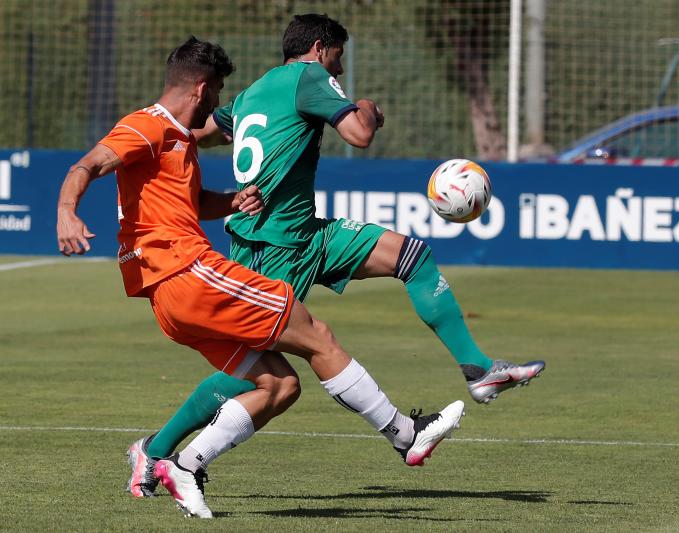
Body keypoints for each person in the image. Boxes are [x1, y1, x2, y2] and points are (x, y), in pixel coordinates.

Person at [126, 13, 543, 498]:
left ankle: (478, 370)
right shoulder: (309, 76)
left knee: (411, 256)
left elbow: (195, 134)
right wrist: (366, 108)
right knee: (259, 374)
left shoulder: (253, 92)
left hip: (307, 233)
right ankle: (156, 451)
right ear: (319, 48)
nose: (339, 70)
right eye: (338, 57)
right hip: (273, 247)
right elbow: (359, 134)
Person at [57, 36, 465, 519]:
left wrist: (231, 201)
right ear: (201, 88)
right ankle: (405, 435)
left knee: (279, 385)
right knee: (315, 335)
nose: (217, 102)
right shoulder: (148, 125)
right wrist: (67, 210)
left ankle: (180, 463)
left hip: (170, 297)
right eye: (217, 91)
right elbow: (88, 164)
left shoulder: (178, 139)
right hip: (187, 272)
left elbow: (189, 203)